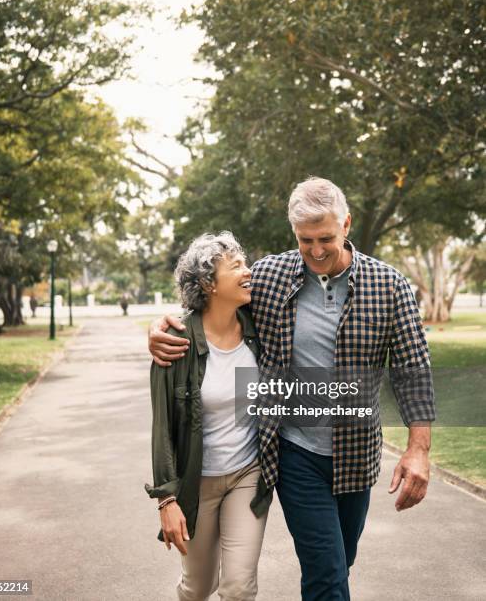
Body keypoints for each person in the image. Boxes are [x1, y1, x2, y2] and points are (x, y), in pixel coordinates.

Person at [149, 177, 435, 601]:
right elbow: (210, 302)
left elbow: (413, 369)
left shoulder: (389, 285)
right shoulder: (268, 276)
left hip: (357, 454)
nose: (316, 250)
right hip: (294, 452)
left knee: (341, 561)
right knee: (325, 571)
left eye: (326, 238)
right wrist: (159, 328)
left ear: (347, 224)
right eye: (305, 240)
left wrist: (418, 450)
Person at [145, 232, 272, 601]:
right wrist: (166, 501)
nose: (249, 272)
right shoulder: (176, 341)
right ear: (207, 283)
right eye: (236, 266)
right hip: (195, 483)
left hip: (248, 475)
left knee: (237, 588)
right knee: (198, 588)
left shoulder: (258, 328)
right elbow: (162, 428)